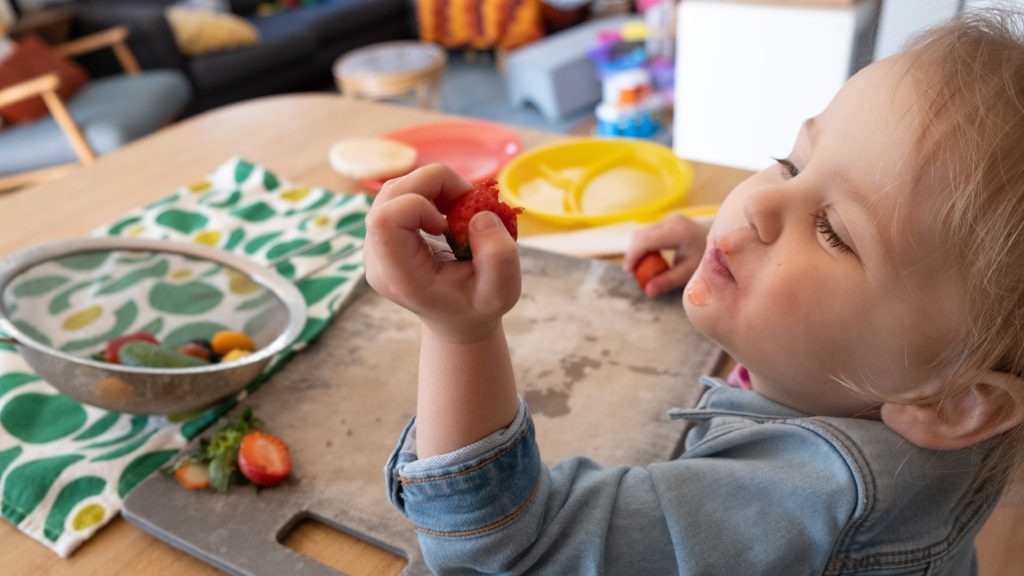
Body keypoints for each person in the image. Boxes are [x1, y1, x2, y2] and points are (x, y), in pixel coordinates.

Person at [363, 9, 1024, 574]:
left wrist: (462, 332)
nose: (761, 199)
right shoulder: (909, 385)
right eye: (793, 161)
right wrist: (713, 242)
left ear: (957, 403)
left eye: (832, 232)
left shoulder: (810, 498)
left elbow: (507, 552)